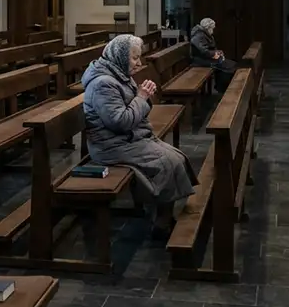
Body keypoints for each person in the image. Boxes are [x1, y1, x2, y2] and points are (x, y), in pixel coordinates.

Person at [81, 34, 195, 238]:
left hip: (127, 139)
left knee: (176, 156)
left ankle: (163, 212)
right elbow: (120, 122)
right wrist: (142, 97)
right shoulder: (103, 83)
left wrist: (141, 97)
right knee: (166, 162)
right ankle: (162, 221)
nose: (139, 63)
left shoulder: (117, 74)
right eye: (134, 58)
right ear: (121, 56)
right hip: (111, 146)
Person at [189, 17, 237, 92]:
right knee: (226, 65)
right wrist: (214, 54)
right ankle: (222, 88)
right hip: (200, 61)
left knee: (231, 64)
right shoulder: (199, 35)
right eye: (212, 28)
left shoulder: (205, 34)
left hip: (206, 58)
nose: (213, 30)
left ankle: (221, 87)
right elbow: (203, 51)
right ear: (208, 27)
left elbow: (210, 49)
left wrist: (217, 52)